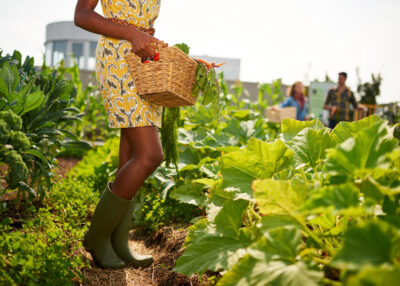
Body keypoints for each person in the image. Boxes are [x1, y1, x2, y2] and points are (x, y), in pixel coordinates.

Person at [74, 0, 167, 269]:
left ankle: (118, 241)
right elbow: (82, 15)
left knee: (131, 154)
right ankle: (97, 236)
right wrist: (133, 34)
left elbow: (139, 18)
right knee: (150, 155)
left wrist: (148, 38)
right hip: (119, 61)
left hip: (144, 63)